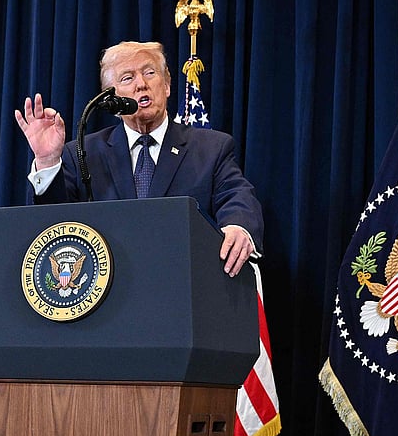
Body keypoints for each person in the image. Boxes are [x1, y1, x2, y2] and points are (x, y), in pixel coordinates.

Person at [14, 40, 262, 275]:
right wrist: (47, 161)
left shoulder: (210, 148)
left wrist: (238, 227)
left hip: (183, 281)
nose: (141, 84)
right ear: (111, 100)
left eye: (150, 73)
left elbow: (237, 196)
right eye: (127, 78)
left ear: (166, 86)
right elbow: (55, 224)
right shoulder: (83, 153)